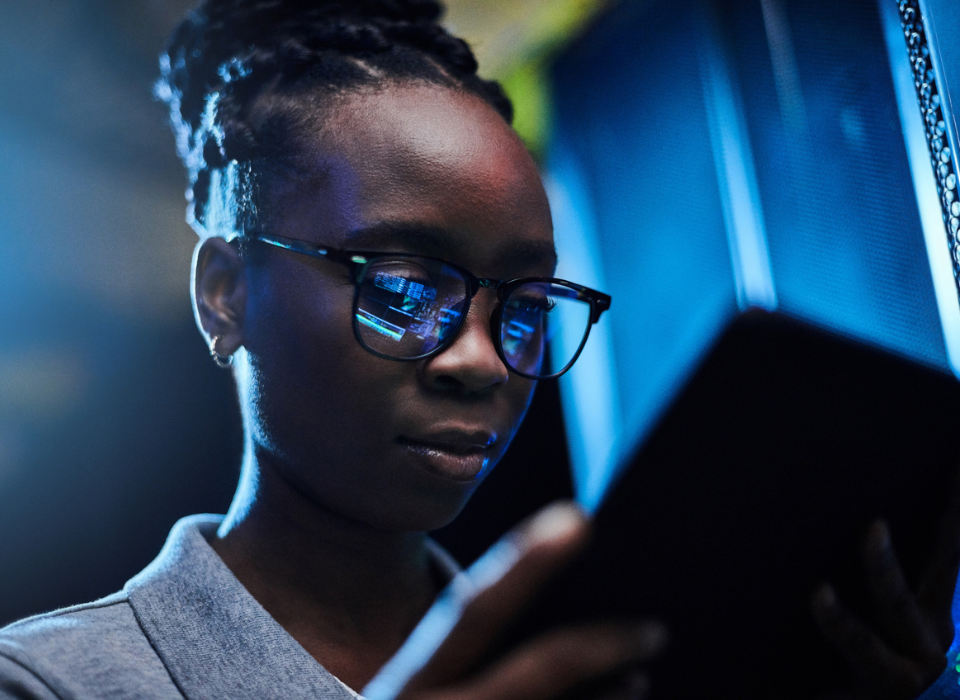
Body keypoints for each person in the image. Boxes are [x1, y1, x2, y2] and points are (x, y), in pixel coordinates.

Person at [0, 1, 955, 698]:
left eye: (528, 308)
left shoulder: (608, 669)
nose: (485, 362)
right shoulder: (48, 681)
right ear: (227, 295)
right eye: (407, 291)